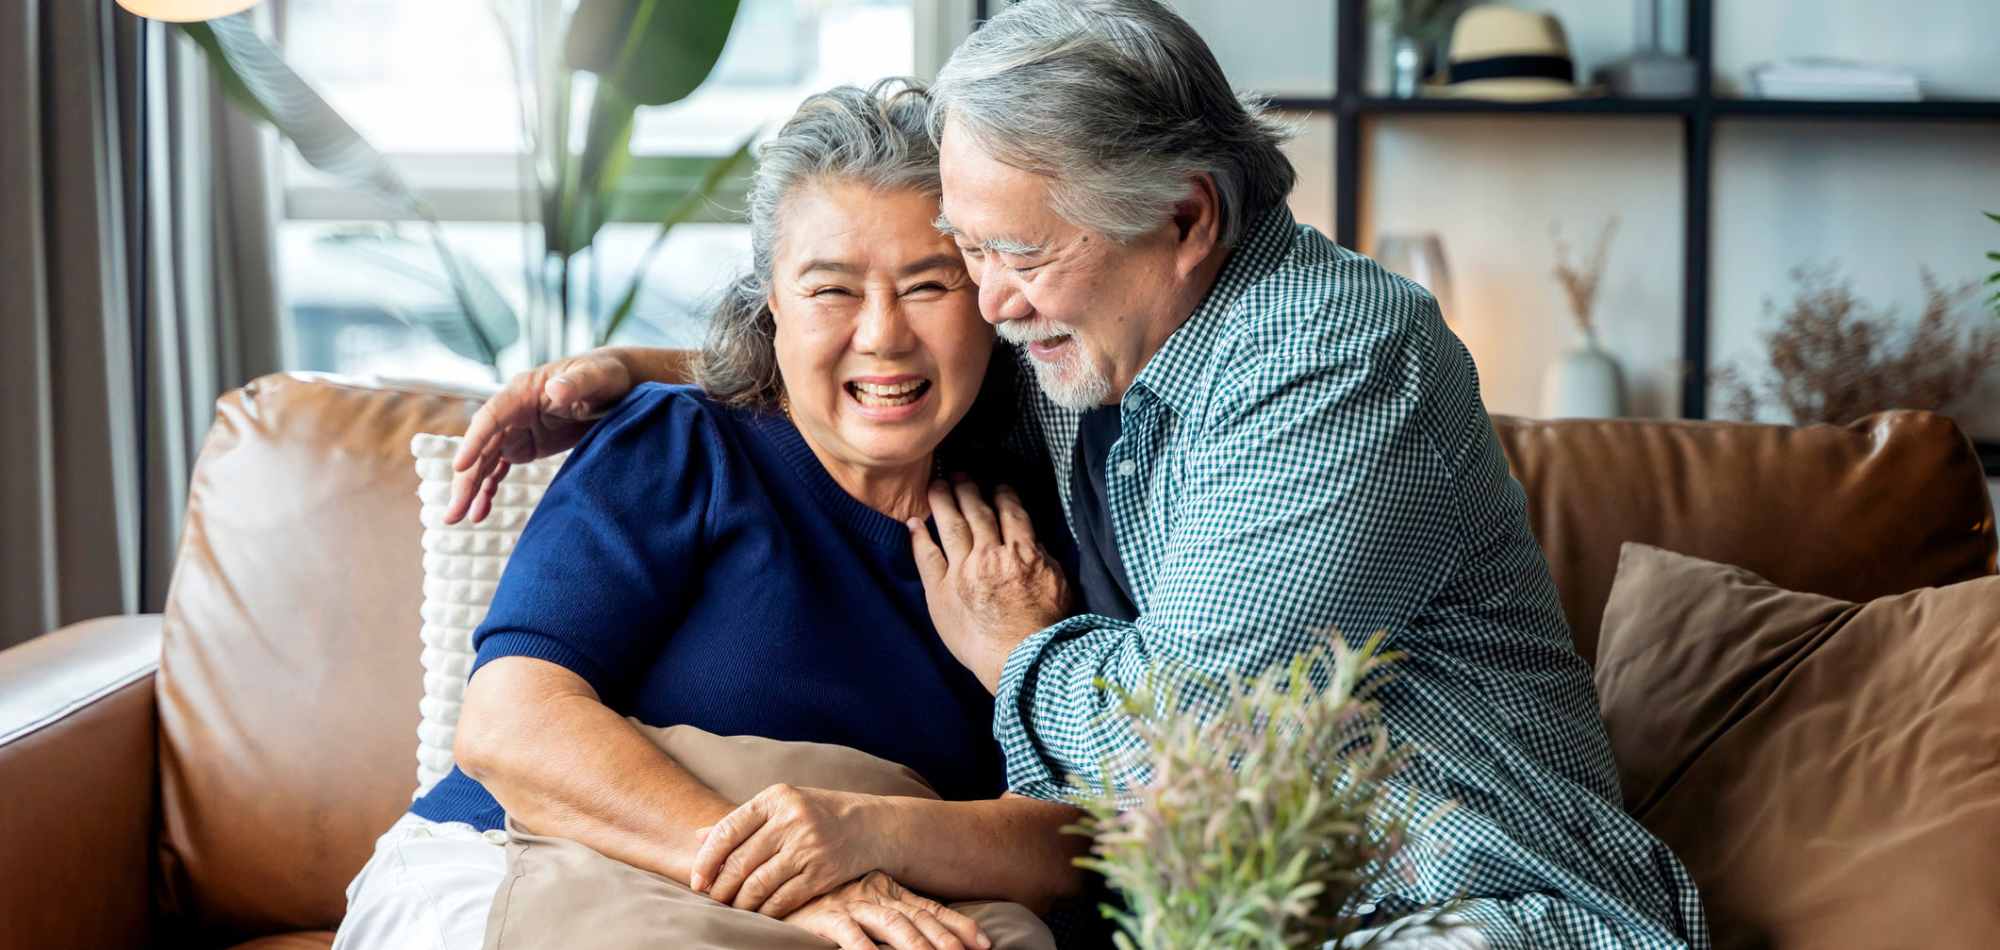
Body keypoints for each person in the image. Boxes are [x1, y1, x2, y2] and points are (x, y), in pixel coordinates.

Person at [452, 2, 1712, 947]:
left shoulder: (1326, 361)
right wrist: (642, 365)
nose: (989, 303)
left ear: (1182, 220)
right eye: (973, 253)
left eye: (1003, 259)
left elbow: (1184, 753)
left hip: (1475, 897)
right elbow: (878, 349)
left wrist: (1018, 653)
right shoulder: (1089, 344)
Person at [334, 80, 1088, 950]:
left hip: (882, 897)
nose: (883, 336)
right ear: (772, 301)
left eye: (929, 284)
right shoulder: (683, 443)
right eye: (830, 289)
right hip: (540, 851)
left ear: (992, 295)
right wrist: (777, 877)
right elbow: (509, 724)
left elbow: (1079, 842)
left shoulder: (1030, 538)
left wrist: (1015, 667)